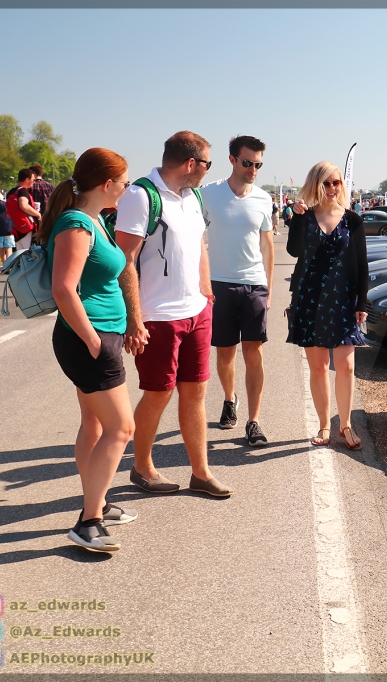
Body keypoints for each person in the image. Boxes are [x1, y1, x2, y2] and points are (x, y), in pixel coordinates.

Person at [115, 130, 232, 498]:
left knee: (196, 392)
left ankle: (201, 472)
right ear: (190, 164)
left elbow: (198, 243)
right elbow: (126, 261)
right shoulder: (140, 196)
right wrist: (134, 319)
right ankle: (142, 466)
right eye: (207, 163)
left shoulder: (193, 195)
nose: (207, 171)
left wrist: (207, 292)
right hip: (158, 317)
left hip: (196, 311)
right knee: (158, 393)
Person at [35, 148, 137, 552]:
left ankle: (98, 502)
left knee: (95, 426)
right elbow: (64, 288)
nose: (127, 190)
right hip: (88, 339)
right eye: (124, 183)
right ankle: (88, 521)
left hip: (101, 334)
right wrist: (94, 341)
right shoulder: (77, 223)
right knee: (121, 428)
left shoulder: (95, 219)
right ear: (106, 184)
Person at [286, 162, 367, 451]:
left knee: (346, 366)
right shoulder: (305, 218)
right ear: (316, 185)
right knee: (318, 367)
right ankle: (324, 424)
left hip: (343, 300)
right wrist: (296, 219)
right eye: (327, 183)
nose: (333, 188)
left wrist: (362, 302)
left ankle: (344, 423)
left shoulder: (353, 220)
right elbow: (294, 251)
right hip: (310, 298)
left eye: (337, 183)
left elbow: (361, 265)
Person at [201, 135, 274, 447]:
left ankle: (253, 421)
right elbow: (193, 238)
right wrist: (201, 283)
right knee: (225, 352)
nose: (253, 169)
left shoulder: (263, 199)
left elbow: (268, 246)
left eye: (258, 164)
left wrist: (268, 291)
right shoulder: (208, 194)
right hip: (219, 284)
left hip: (254, 284)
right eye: (248, 163)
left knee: (253, 352)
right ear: (232, 160)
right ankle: (230, 399)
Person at [7, 169, 42, 250]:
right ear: (27, 179)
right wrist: (38, 214)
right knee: (30, 254)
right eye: (33, 180)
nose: (34, 182)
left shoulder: (11, 192)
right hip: (27, 227)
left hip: (16, 228)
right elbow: (24, 205)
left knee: (20, 254)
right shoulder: (23, 191)